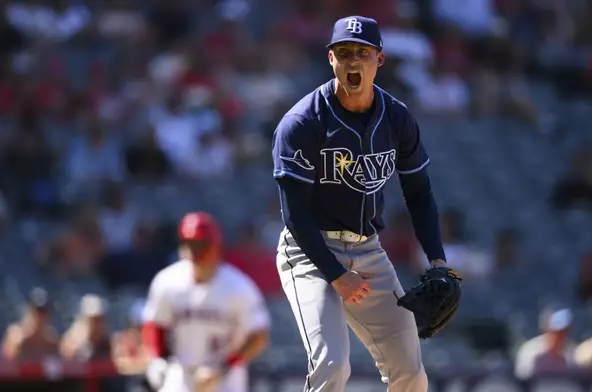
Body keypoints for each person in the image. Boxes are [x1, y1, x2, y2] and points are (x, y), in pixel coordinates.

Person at [271, 15, 448, 392]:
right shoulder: (302, 122)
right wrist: (335, 273)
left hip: (367, 250)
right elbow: (295, 214)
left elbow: (419, 193)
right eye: (344, 52)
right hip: (309, 252)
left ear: (379, 60)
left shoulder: (397, 118)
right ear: (330, 58)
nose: (354, 61)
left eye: (363, 53)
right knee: (332, 367)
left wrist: (438, 262)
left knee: (412, 373)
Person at [141, 211, 271, 392]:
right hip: (181, 374)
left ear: (215, 246)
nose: (195, 251)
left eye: (201, 244)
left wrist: (224, 367)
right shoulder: (167, 281)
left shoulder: (238, 286)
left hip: (226, 378)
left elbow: (259, 336)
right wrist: (157, 359)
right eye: (189, 244)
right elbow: (154, 324)